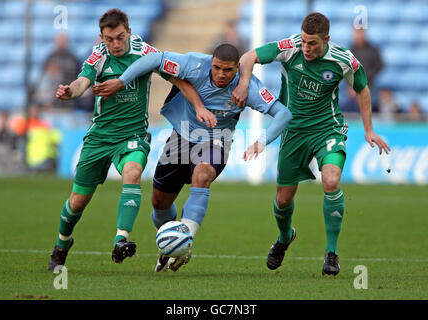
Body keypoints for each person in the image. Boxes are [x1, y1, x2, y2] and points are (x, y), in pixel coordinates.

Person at [93, 43, 293, 272]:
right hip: (181, 137)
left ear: (237, 68)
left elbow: (283, 113)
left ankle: (184, 242)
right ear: (211, 63)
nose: (221, 74)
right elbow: (155, 59)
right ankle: (174, 247)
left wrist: (262, 141)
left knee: (202, 174)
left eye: (228, 70)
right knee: (159, 203)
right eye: (217, 67)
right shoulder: (194, 64)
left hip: (217, 140)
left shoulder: (248, 87)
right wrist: (121, 81)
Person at [47, 9, 213, 271]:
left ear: (129, 33)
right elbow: (82, 82)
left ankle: (120, 240)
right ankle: (62, 243)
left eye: (120, 38)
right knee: (78, 201)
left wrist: (199, 107)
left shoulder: (146, 53)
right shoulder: (99, 56)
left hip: (133, 134)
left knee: (133, 171)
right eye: (109, 39)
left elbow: (177, 78)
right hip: (100, 136)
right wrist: (69, 92)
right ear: (101, 38)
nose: (115, 44)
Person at [232, 12, 391, 276]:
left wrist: (369, 129)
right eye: (304, 41)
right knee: (283, 199)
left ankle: (331, 252)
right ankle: (285, 238)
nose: (306, 48)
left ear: (326, 39)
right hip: (293, 131)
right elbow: (247, 57)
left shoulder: (343, 60)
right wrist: (244, 82)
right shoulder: (290, 47)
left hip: (327, 128)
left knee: (330, 181)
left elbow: (362, 88)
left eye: (312, 43)